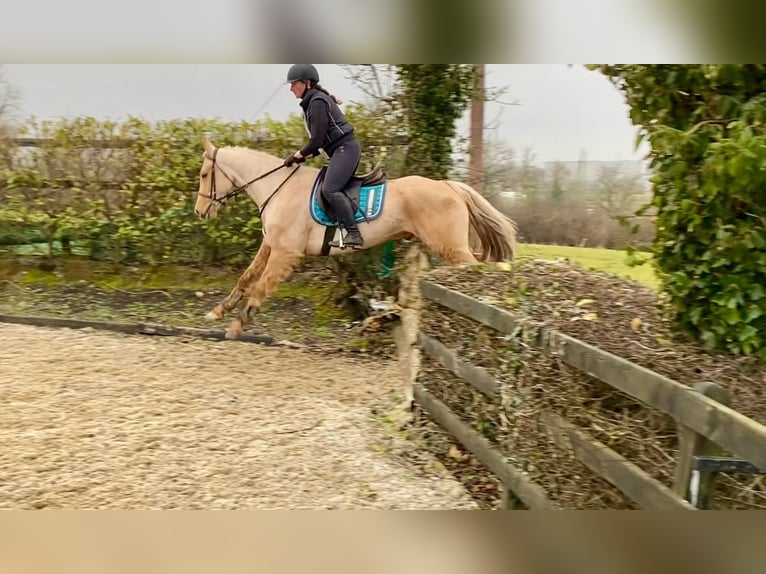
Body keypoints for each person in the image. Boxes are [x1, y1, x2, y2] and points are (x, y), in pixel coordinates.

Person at [283, 64, 364, 248]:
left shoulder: (317, 102)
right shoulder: (315, 101)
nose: (291, 88)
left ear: (307, 83)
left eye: (294, 84)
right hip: (340, 150)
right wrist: (301, 157)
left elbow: (317, 141)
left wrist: (297, 155)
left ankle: (354, 234)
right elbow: (319, 146)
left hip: (345, 149)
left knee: (329, 190)